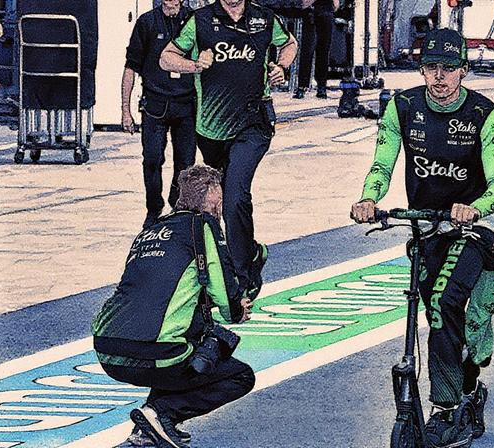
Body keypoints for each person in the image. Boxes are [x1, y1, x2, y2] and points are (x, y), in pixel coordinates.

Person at [351, 28, 494, 448]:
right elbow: (382, 163)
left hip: (473, 228)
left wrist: (475, 208)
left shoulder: (485, 114)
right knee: (438, 314)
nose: (439, 78)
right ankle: (469, 390)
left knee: (444, 302)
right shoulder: (402, 107)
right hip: (425, 225)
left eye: (449, 69)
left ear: (464, 70)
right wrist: (369, 199)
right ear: (422, 69)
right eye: (431, 68)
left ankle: (445, 409)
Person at [92, 165, 255, 448]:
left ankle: (149, 428)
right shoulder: (203, 226)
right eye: (219, 200)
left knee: (178, 341)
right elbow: (227, 302)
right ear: (213, 200)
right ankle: (161, 412)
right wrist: (240, 309)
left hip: (107, 348)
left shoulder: (151, 229)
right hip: (156, 352)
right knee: (239, 374)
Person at [160, 0, 298, 292]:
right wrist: (195, 64)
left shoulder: (264, 18)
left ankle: (241, 279)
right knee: (220, 201)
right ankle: (249, 253)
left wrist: (282, 67)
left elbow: (289, 44)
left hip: (254, 123)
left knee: (235, 194)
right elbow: (166, 58)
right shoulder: (200, 20)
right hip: (211, 128)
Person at [123, 0, 197, 229]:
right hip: (155, 102)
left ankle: (178, 206)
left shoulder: (195, 22)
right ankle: (153, 207)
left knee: (185, 162)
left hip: (187, 103)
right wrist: (125, 110)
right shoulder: (146, 23)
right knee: (152, 158)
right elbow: (130, 67)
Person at [293, 0, 339, 99]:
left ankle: (320, 86)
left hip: (324, 9)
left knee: (322, 50)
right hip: (312, 10)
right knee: (308, 49)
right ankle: (304, 86)